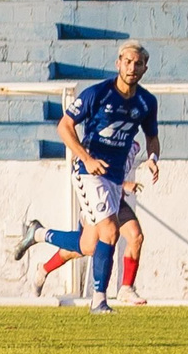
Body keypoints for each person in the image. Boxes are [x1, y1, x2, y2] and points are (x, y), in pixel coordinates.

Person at [13, 40, 160, 314]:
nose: (132, 67)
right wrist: (86, 158)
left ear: (144, 68)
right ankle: (99, 301)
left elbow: (152, 136)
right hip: (88, 173)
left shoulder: (146, 102)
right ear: (118, 64)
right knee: (111, 232)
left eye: (137, 63)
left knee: (89, 244)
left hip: (114, 180)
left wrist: (153, 159)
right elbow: (65, 126)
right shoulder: (98, 93)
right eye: (127, 61)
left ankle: (39, 233)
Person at [32, 138, 156, 304]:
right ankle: (42, 245)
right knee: (87, 247)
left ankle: (126, 289)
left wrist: (152, 159)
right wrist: (124, 184)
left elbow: (152, 136)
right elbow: (89, 165)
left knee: (136, 237)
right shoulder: (106, 135)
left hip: (116, 200)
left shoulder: (133, 145)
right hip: (97, 198)